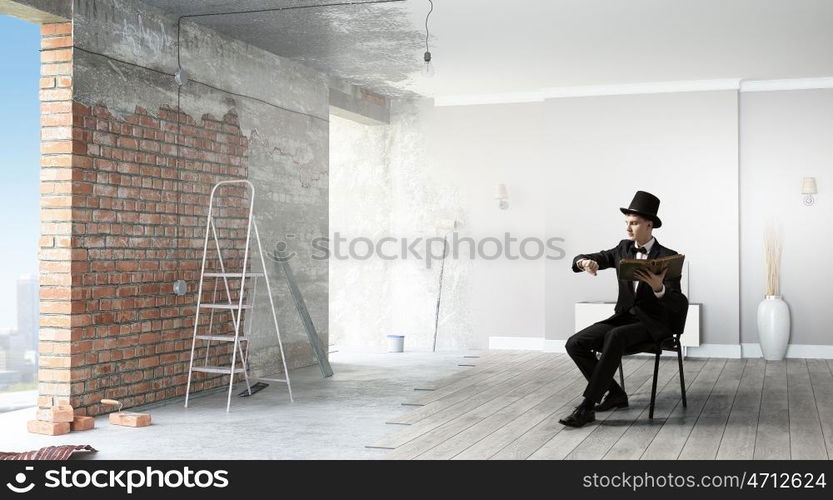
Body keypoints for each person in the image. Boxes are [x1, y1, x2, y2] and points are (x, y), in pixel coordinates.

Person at [559, 191, 688, 428]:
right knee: (574, 343)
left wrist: (659, 288)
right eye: (627, 223)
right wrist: (584, 262)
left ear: (650, 225)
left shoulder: (668, 258)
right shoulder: (623, 249)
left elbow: (679, 304)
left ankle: (587, 406)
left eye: (634, 223)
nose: (628, 228)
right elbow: (589, 257)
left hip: (653, 325)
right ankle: (616, 394)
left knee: (614, 336)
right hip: (623, 319)